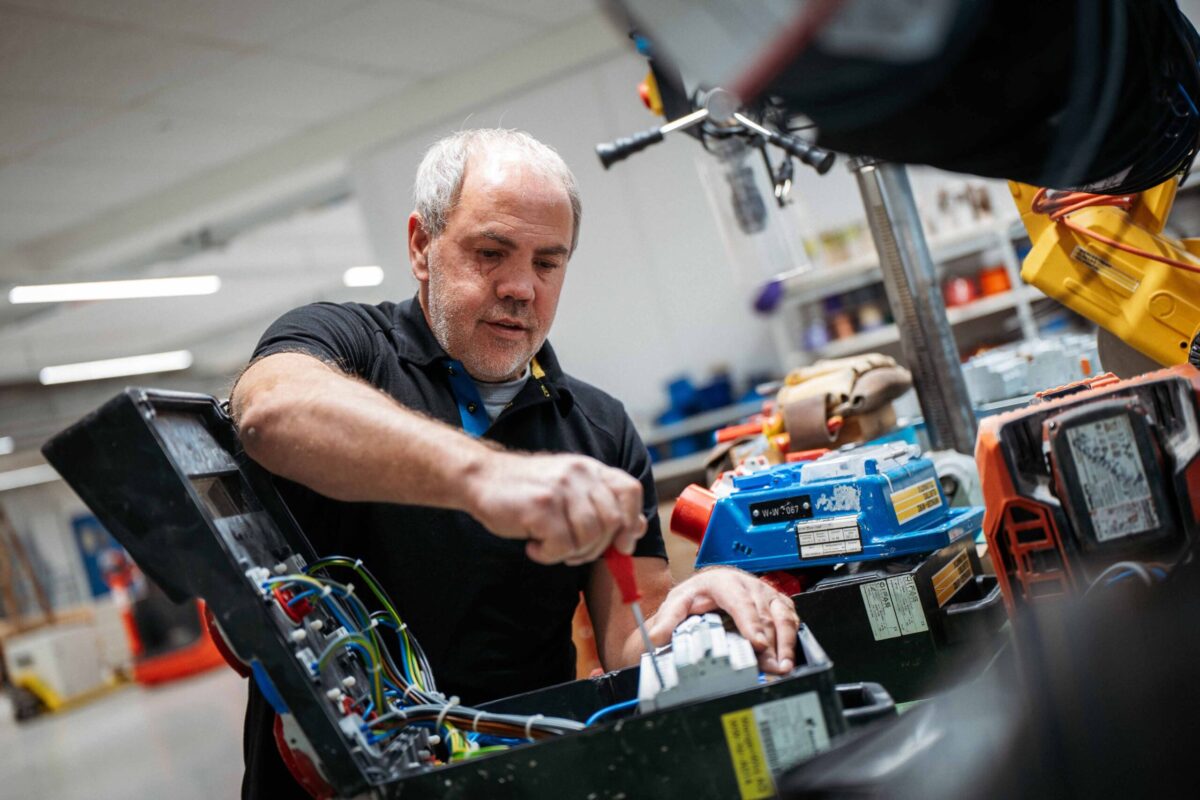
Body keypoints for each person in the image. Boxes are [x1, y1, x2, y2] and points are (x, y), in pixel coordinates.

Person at [231, 128, 800, 797]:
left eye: (547, 263)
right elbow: (268, 411)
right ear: (421, 245)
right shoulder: (346, 345)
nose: (522, 287)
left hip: (525, 775)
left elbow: (631, 632)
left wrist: (693, 614)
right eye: (491, 252)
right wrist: (486, 475)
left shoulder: (600, 429)